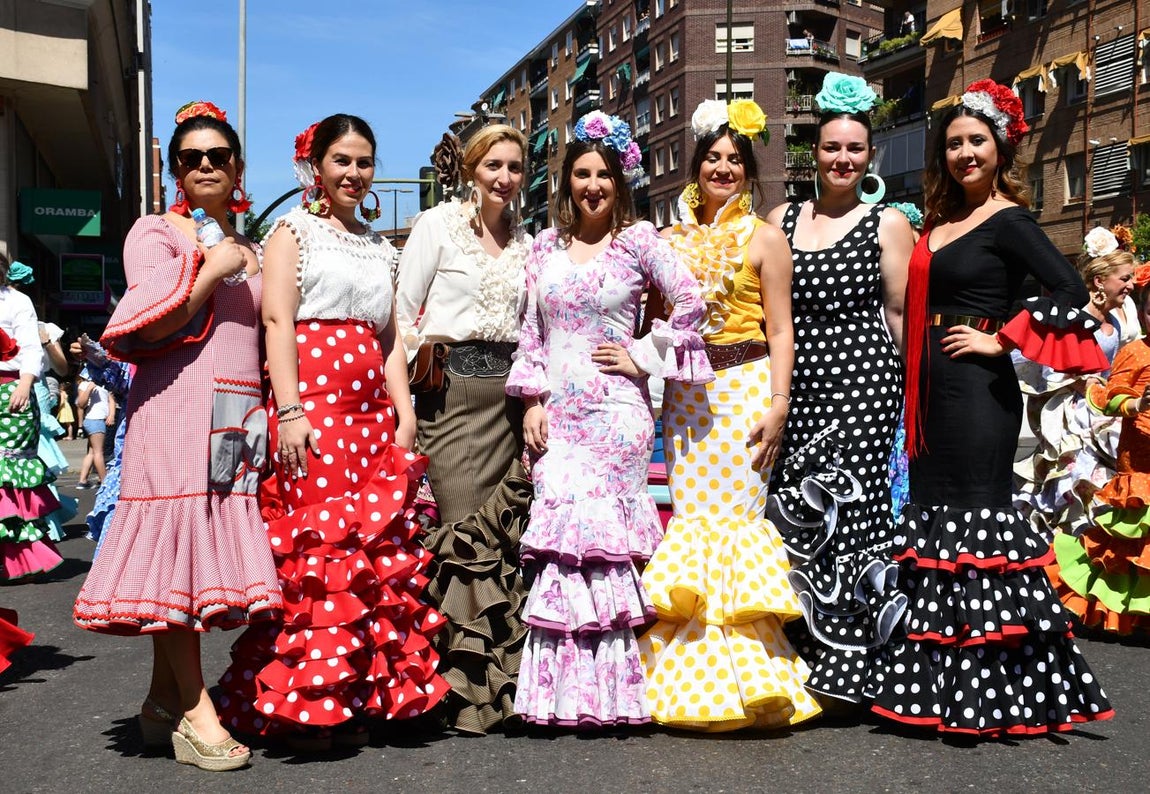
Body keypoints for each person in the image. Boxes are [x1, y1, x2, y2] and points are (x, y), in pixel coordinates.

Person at [869, 79, 1114, 736]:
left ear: (1000, 149)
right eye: (953, 144)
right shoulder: (940, 221)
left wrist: (1000, 339)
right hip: (930, 397)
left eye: (976, 141)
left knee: (978, 537)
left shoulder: (1010, 220)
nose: (964, 153)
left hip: (979, 397)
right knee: (936, 540)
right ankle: (938, 691)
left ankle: (1000, 693)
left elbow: (1068, 288)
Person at [217, 114, 447, 751]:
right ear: (315, 166)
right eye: (342, 160)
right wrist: (290, 412)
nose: (354, 173)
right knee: (321, 553)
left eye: (364, 162)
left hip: (371, 417)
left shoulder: (378, 246)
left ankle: (370, 693)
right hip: (314, 413)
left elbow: (390, 337)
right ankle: (309, 702)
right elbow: (278, 323)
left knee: (372, 551)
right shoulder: (292, 231)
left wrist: (404, 413)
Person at [73, 101, 279, 772]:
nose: (206, 166)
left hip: (235, 417)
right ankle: (196, 712)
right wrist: (212, 269)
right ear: (175, 169)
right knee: (176, 563)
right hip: (172, 412)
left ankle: (163, 703)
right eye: (192, 158)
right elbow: (148, 325)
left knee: (196, 561)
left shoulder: (250, 245)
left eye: (219, 156)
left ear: (238, 166)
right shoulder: (155, 232)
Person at [507, 111, 713, 728]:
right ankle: (557, 699)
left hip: (617, 416)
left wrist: (644, 356)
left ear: (619, 181)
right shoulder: (543, 247)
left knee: (605, 554)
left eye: (602, 175)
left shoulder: (639, 240)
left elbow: (693, 300)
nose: (592, 186)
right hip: (559, 418)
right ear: (566, 182)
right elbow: (531, 334)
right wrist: (532, 402)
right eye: (581, 175)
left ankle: (615, 699)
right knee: (563, 553)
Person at [636, 99, 821, 731]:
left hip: (745, 389)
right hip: (687, 396)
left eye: (735, 160)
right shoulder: (667, 241)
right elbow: (652, 324)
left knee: (737, 523)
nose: (723, 168)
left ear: (748, 170)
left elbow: (781, 330)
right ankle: (689, 681)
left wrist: (779, 402)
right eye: (713, 158)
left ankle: (749, 679)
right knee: (691, 521)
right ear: (696, 166)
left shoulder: (766, 237)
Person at [765, 72, 914, 707]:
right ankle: (804, 655)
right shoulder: (779, 219)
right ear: (814, 151)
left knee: (853, 515)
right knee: (795, 513)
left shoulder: (888, 223)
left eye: (855, 149)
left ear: (870, 155)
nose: (843, 159)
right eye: (832, 147)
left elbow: (900, 316)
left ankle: (857, 665)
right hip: (798, 386)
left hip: (865, 387)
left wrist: (912, 400)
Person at [396, 126, 534, 734]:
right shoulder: (436, 226)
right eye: (493, 165)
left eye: (514, 167)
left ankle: (502, 687)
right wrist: (410, 395)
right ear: (472, 169)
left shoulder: (528, 241)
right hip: (449, 397)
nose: (504, 177)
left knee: (502, 536)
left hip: (508, 402)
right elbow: (401, 314)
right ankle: (456, 689)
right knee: (460, 533)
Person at [1015, 227, 1140, 539]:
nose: (1131, 285)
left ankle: (1098, 539)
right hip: (1070, 415)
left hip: (1101, 409)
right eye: (1124, 278)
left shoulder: (1116, 320)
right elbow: (1052, 369)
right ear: (1099, 282)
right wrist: (1081, 383)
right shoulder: (1073, 317)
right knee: (1074, 477)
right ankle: (1065, 538)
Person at [1050, 282, 1150, 633]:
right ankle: (1114, 611)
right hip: (1140, 460)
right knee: (1128, 543)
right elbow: (1109, 397)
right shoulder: (1135, 351)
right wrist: (1136, 403)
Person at [0, 252, 63, 582]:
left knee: (10, 477)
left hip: (12, 391)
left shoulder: (17, 301)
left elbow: (30, 348)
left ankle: (19, 561)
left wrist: (25, 384)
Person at [75, 373, 111, 489]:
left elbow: (111, 400)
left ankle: (83, 481)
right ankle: (105, 481)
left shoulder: (104, 384)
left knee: (92, 452)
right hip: (95, 420)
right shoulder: (85, 385)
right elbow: (81, 404)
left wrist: (111, 414)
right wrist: (89, 388)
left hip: (96, 420)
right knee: (98, 452)